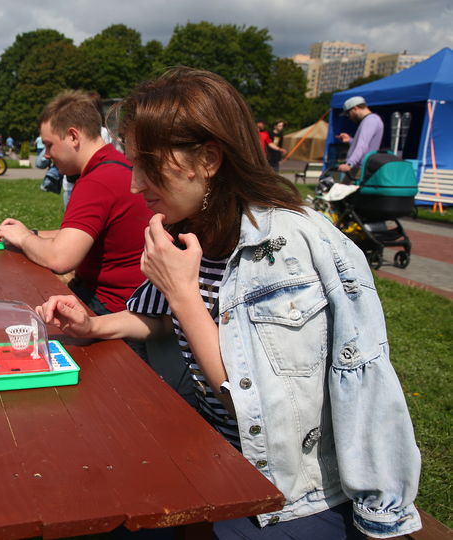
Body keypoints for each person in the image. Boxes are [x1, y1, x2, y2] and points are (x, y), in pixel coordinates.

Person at [37, 67, 422, 539]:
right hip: (212, 448)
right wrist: (94, 326)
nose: (136, 184)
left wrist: (182, 292)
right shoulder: (190, 229)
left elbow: (250, 404)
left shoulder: (287, 249)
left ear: (209, 159)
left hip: (286, 493)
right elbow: (159, 321)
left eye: (148, 163)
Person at [0, 91, 151, 317]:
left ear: (73, 136)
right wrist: (34, 233)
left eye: (49, 145)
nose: (47, 155)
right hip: (129, 302)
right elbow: (79, 235)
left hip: (110, 307)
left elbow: (60, 259)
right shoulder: (114, 165)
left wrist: (23, 238)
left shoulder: (97, 180)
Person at [336, 96, 384, 174]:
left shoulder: (370, 120)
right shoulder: (369, 120)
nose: (349, 117)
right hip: (358, 167)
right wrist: (350, 140)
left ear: (355, 108)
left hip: (360, 169)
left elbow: (362, 145)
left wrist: (349, 164)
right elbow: (365, 144)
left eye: (348, 113)